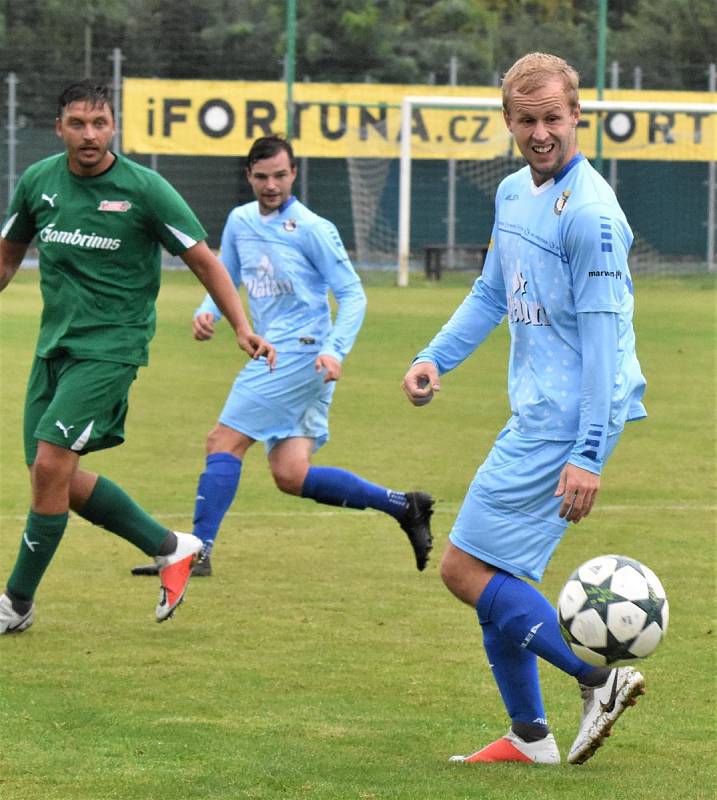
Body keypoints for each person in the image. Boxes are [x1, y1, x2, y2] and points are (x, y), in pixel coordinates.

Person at [402, 53, 648, 766]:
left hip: (565, 420)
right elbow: (489, 293)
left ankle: (595, 681)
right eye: (526, 120)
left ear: (577, 117)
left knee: (460, 569)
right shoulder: (514, 193)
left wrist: (587, 453)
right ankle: (530, 737)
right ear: (508, 121)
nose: (540, 133)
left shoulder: (593, 216)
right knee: (497, 576)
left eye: (552, 118)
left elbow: (604, 344)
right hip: (537, 411)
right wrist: (433, 357)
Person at [0, 80, 275, 634]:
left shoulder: (145, 189)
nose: (89, 135)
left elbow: (205, 260)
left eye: (99, 123)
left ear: (113, 128)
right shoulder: (38, 183)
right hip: (54, 347)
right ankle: (170, 546)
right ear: (59, 129)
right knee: (49, 474)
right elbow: (6, 258)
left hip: (112, 349)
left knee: (52, 464)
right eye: (77, 123)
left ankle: (16, 603)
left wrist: (242, 325)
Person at [130, 135, 433, 579]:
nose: (271, 185)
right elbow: (227, 274)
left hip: (299, 353)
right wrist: (206, 311)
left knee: (222, 441)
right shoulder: (239, 221)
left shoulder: (312, 228)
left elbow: (352, 296)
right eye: (261, 176)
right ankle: (404, 506)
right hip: (282, 352)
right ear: (249, 177)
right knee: (290, 474)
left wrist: (335, 351)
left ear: (293, 174)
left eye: (280, 175)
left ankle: (196, 553)